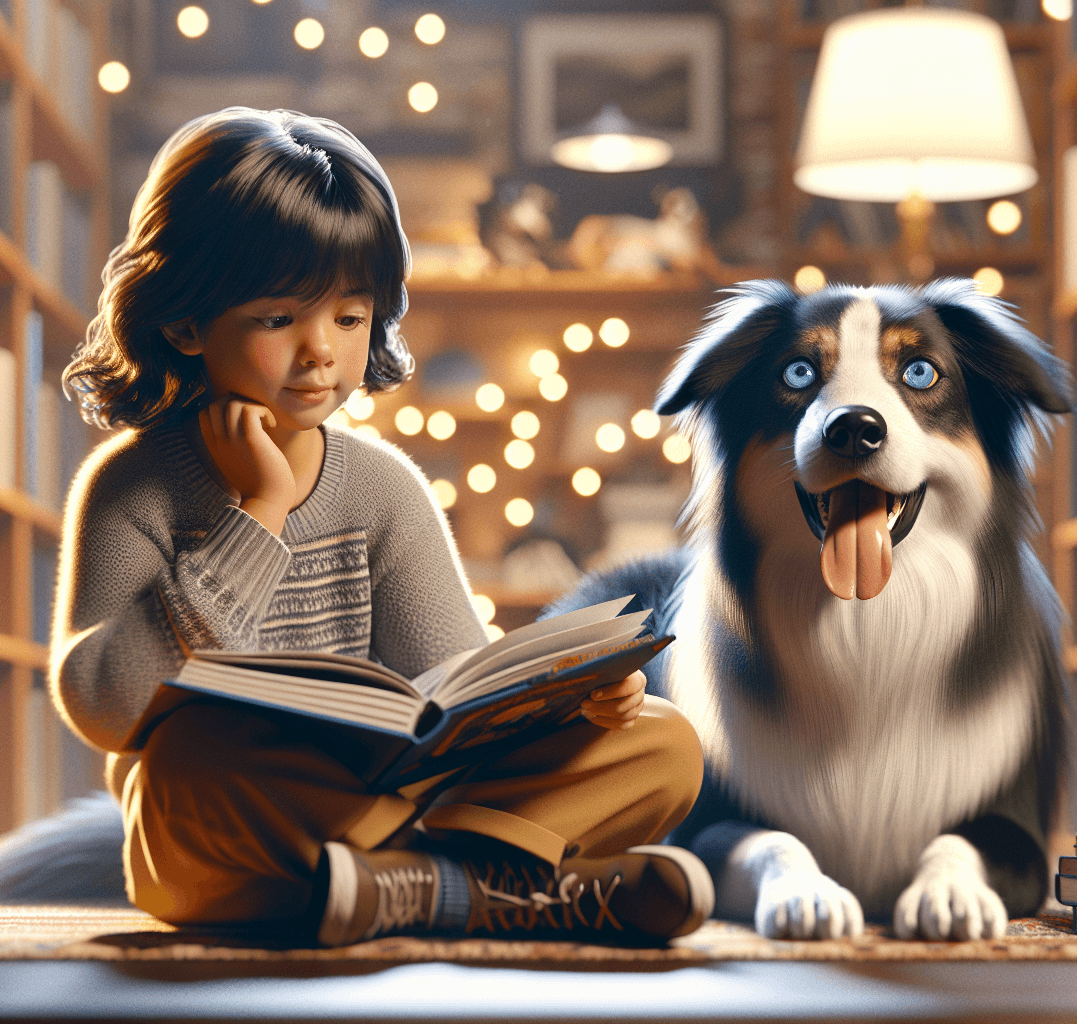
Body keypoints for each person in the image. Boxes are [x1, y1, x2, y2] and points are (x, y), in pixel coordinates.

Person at [52, 107, 710, 947]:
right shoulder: (133, 487)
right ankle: (494, 891)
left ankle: (399, 889)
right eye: (277, 318)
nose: (320, 351)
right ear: (184, 321)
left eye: (349, 317)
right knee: (182, 767)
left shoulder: (381, 488)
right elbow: (105, 708)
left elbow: (453, 687)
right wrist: (257, 518)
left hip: (398, 799)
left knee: (661, 743)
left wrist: (569, 707)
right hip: (239, 808)